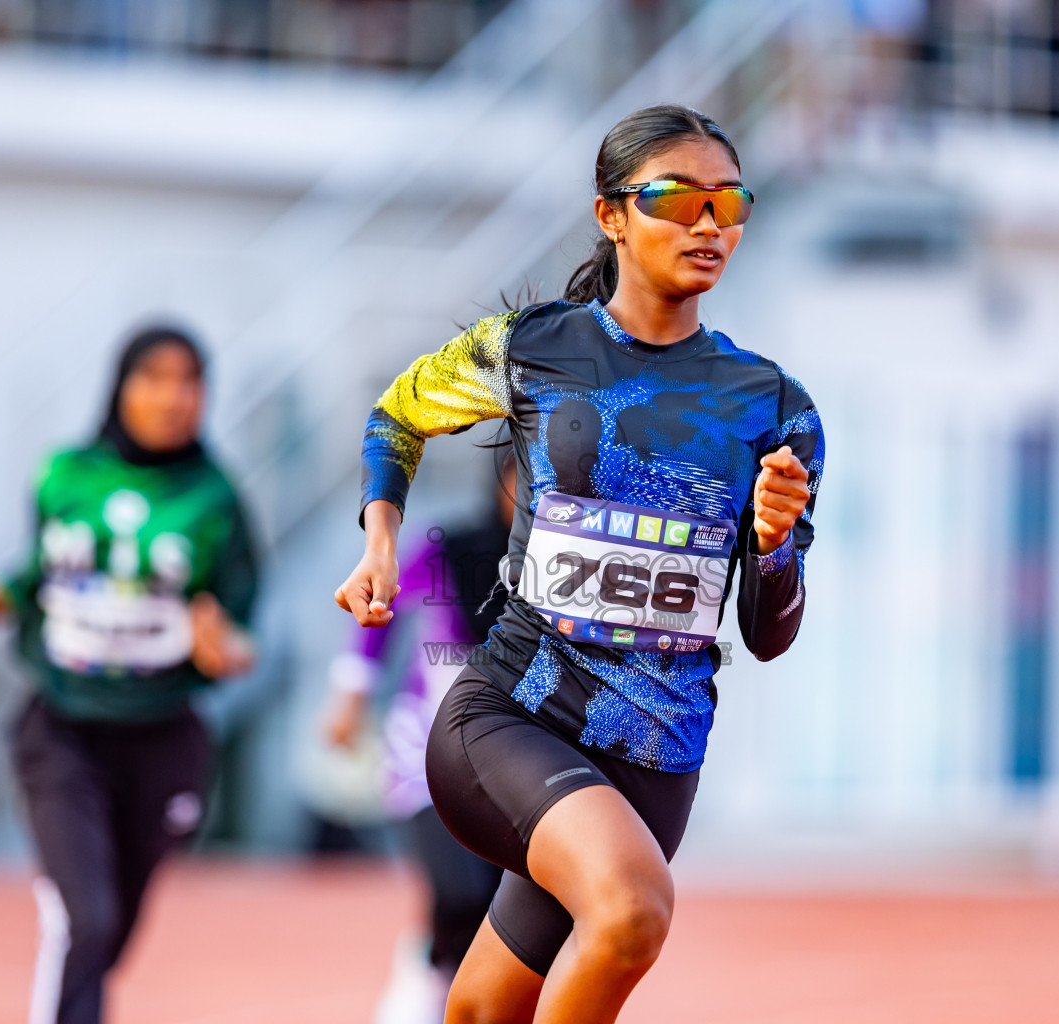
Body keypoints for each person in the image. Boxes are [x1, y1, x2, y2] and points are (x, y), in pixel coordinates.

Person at [335, 103, 823, 1024]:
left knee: (482, 1007)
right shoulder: (530, 348)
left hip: (657, 753)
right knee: (633, 911)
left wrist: (770, 547)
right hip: (512, 713)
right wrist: (382, 537)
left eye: (731, 202)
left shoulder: (776, 408)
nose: (709, 225)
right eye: (679, 199)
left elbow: (769, 634)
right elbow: (396, 412)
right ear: (611, 215)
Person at [0, 326, 260, 1024]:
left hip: (164, 736)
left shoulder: (216, 497)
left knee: (109, 935)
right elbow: (31, 579)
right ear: (121, 386)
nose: (174, 398)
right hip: (64, 729)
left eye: (190, 381)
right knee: (87, 919)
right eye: (155, 378)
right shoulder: (64, 474)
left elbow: (241, 631)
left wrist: (221, 647)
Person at [324, 453, 516, 1024]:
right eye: (522, 477)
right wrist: (350, 696)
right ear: (500, 480)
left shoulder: (564, 577)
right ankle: (426, 971)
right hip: (425, 756)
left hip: (514, 761)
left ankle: (447, 977)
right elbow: (381, 609)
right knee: (459, 891)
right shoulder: (451, 551)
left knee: (493, 903)